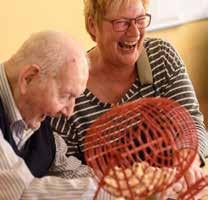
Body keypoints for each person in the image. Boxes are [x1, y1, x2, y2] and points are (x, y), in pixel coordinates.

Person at [51, 0, 208, 198]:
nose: (134, 33)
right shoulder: (69, 88)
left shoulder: (161, 57)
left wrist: (188, 157)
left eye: (140, 20)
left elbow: (192, 120)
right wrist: (128, 186)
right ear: (92, 25)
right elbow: (64, 170)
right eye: (122, 22)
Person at [0, 30, 115, 200]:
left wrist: (123, 181)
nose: (69, 112)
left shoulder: (38, 121)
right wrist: (118, 190)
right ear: (29, 78)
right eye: (65, 96)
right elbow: (20, 192)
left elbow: (72, 173)